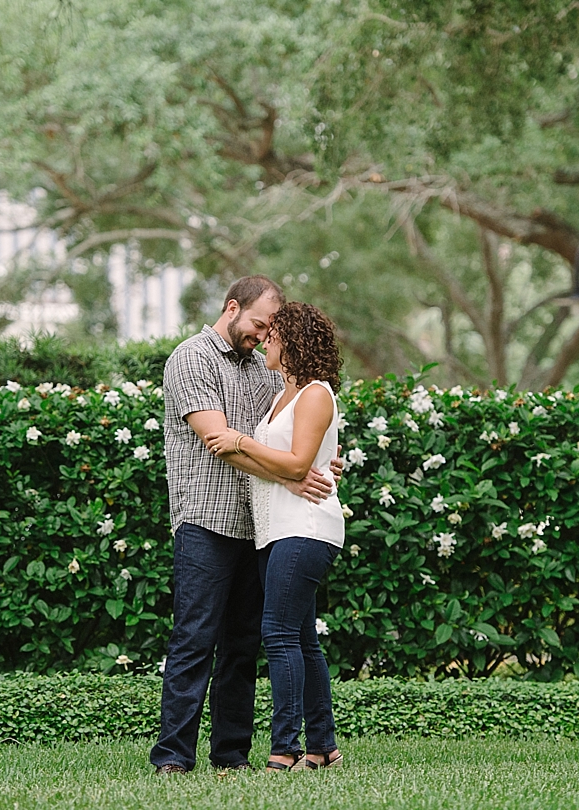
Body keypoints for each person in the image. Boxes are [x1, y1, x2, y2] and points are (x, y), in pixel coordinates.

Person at [150, 277, 341, 775]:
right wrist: (295, 476)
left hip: (260, 527)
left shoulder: (264, 370)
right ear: (232, 308)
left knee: (242, 645)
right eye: (257, 324)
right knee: (195, 639)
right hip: (206, 520)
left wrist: (315, 463)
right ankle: (173, 757)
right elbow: (218, 439)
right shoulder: (192, 358)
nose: (262, 335)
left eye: (269, 329)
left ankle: (230, 756)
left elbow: (284, 438)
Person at [203, 301, 346, 772]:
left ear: (294, 341)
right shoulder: (284, 393)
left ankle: (284, 750)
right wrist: (246, 448)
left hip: (304, 528)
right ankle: (323, 748)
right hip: (276, 530)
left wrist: (239, 440)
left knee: (279, 635)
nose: (265, 339)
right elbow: (283, 461)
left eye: (274, 334)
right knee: (302, 640)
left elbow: (299, 464)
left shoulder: (315, 394)